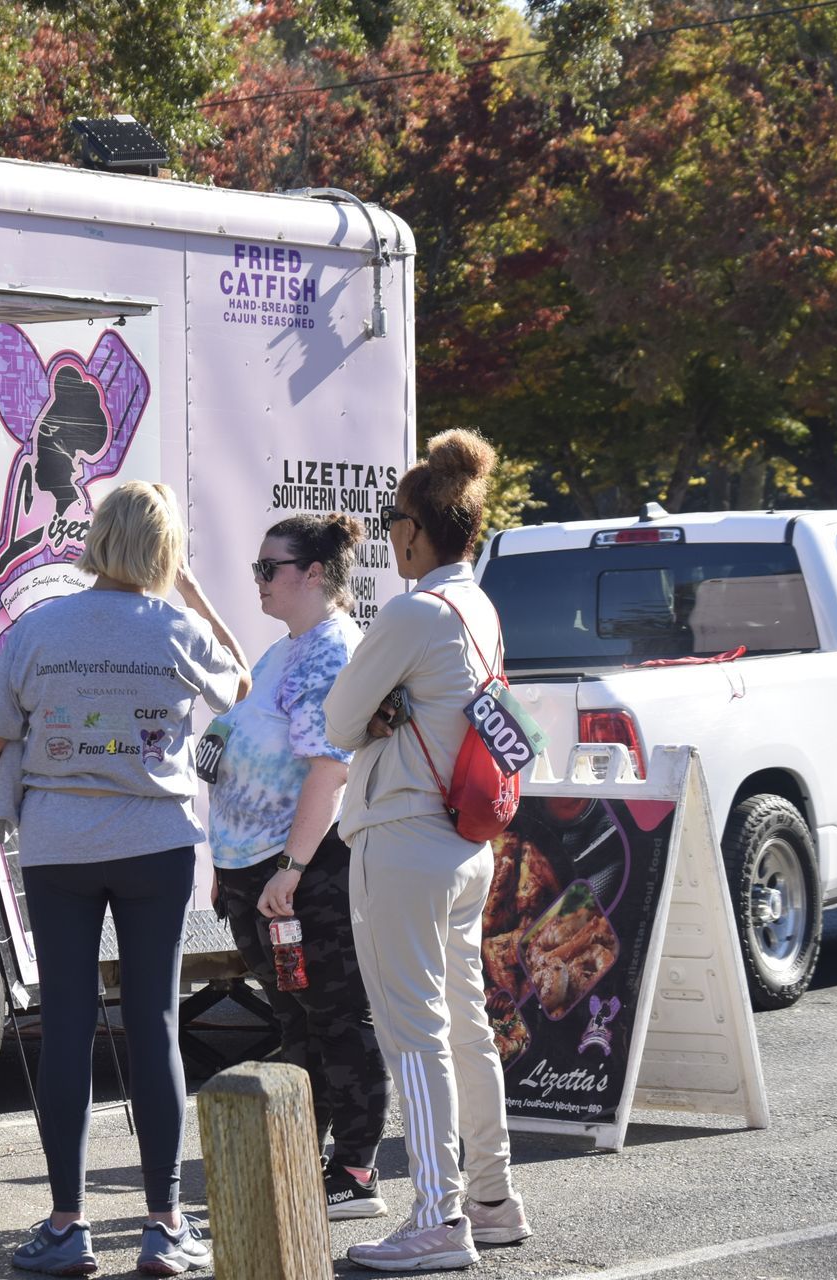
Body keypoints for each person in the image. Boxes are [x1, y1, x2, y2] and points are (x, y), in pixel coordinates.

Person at [0, 480, 250, 1278]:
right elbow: (244, 687)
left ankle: (66, 1224)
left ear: (96, 539)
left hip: (59, 849)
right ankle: (163, 1224)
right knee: (154, 1024)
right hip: (157, 844)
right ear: (166, 552)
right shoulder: (177, 627)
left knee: (67, 1026)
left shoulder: (40, 627)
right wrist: (188, 589)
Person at [321, 430, 532, 1271]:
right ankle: (491, 1196)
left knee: (415, 1035)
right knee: (464, 1025)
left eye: (391, 519)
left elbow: (338, 722)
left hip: (403, 836)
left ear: (416, 527)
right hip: (462, 838)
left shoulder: (411, 612)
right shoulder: (477, 605)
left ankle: (439, 1219)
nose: (387, 533)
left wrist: (376, 716)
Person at [203, 512, 392, 1222]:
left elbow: (328, 769)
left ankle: (354, 1170)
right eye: (256, 567)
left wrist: (288, 867)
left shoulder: (327, 652)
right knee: (298, 1020)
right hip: (262, 872)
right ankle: (302, 1159)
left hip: (303, 875)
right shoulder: (289, 648)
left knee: (336, 1017)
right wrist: (232, 862)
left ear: (314, 574)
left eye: (268, 567)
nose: (257, 579)